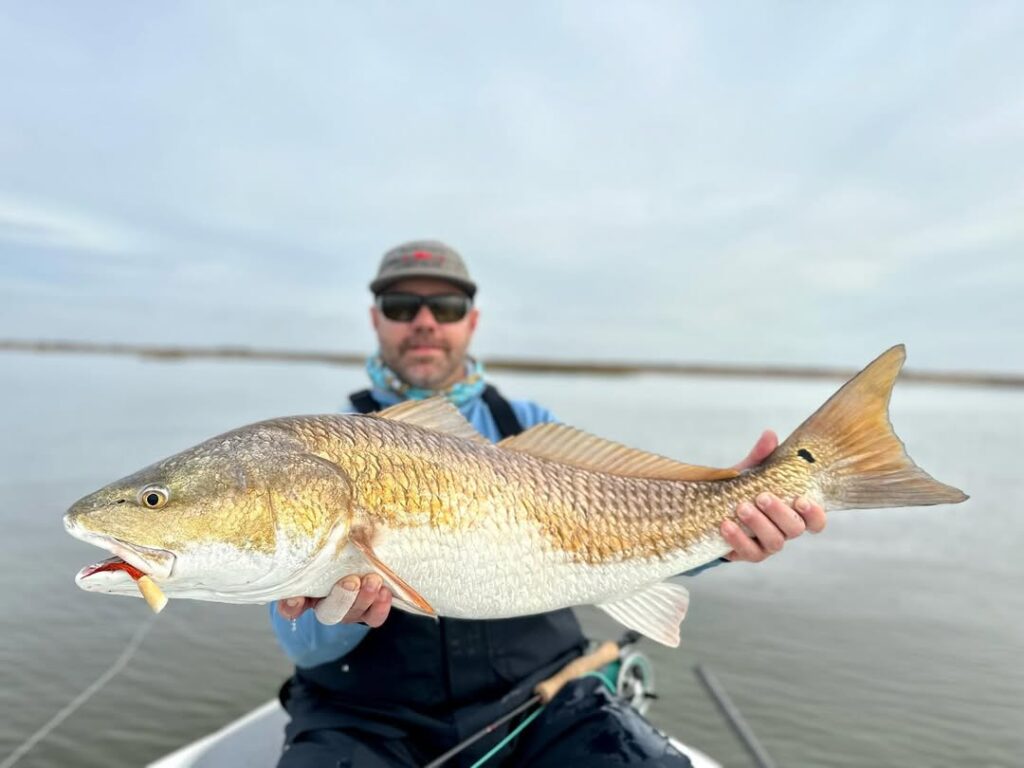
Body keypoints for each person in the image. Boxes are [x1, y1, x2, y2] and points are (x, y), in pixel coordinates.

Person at [270, 240, 826, 767]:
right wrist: (334, 610)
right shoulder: (320, 450)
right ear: (376, 319)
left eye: (445, 304)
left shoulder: (528, 427)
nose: (425, 321)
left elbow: (623, 523)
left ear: (472, 320)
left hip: (541, 703)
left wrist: (732, 534)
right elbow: (301, 642)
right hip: (367, 721)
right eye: (401, 305)